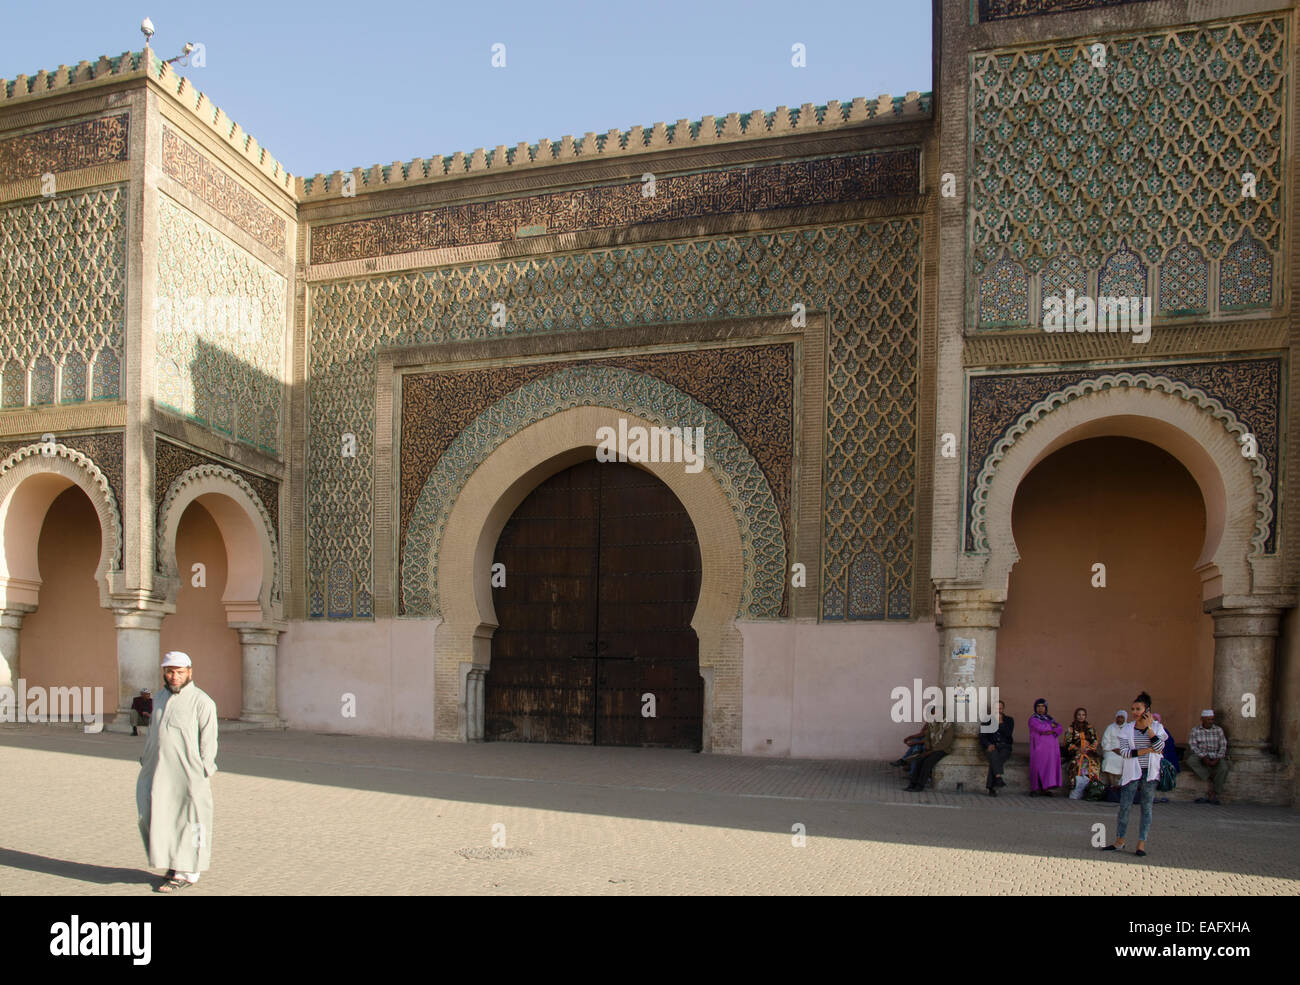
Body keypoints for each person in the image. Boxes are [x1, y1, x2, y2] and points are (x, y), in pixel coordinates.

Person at [136, 650, 218, 893]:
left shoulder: (202, 701)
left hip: (188, 773)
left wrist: (204, 769)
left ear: (189, 672)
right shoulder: (159, 698)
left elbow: (209, 740)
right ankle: (173, 863)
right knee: (155, 815)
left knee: (188, 820)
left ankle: (187, 872)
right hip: (157, 769)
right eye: (170, 672)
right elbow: (154, 732)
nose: (174, 676)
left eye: (179, 672)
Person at [1102, 691, 1166, 858]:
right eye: (1133, 709)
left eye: (1138, 708)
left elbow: (1159, 748)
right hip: (1132, 772)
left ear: (1147, 709)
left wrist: (1149, 728)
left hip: (1150, 773)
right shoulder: (1128, 729)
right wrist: (1147, 750)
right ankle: (1120, 840)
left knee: (1146, 808)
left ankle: (1141, 843)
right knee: (1125, 806)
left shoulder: (1158, 727)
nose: (1135, 712)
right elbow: (1124, 752)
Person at [1187, 709, 1230, 805]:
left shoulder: (1218, 730)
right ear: (1202, 719)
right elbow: (1193, 746)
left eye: (1212, 719)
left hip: (1215, 755)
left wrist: (1217, 758)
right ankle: (1209, 776)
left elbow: (1223, 745)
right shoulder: (1195, 730)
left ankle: (1214, 792)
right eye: (1208, 719)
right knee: (1191, 760)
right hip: (1201, 755)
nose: (1210, 722)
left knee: (1224, 768)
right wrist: (1203, 757)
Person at [906, 708, 953, 792]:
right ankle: (912, 784)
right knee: (919, 760)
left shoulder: (947, 725)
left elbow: (945, 743)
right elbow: (927, 737)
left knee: (927, 762)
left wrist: (930, 751)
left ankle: (920, 785)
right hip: (931, 749)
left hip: (942, 750)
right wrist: (927, 746)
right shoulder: (932, 723)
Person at [1063, 707, 1100, 799]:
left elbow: (1095, 741)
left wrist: (1089, 748)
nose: (1081, 717)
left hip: (1089, 752)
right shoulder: (1071, 729)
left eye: (1083, 715)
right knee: (1075, 764)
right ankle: (1075, 788)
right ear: (1075, 716)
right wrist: (1077, 749)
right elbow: (1067, 742)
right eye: (1079, 715)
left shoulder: (1090, 728)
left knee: (1094, 764)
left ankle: (1091, 789)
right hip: (1076, 753)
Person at [1027, 698, 1062, 796]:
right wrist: (1052, 728)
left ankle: (1045, 789)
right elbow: (1042, 728)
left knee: (1048, 768)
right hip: (1038, 747)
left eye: (1043, 706)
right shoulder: (1033, 719)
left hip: (1051, 749)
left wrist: (1052, 728)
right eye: (1038, 706)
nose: (1040, 709)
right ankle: (1035, 789)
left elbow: (1060, 728)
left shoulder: (1050, 718)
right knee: (1037, 767)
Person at [979, 699, 1014, 796]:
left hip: (1005, 746)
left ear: (1003, 709)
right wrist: (988, 744)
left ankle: (992, 786)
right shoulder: (987, 720)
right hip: (992, 746)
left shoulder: (1009, 720)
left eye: (1000, 708)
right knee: (993, 755)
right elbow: (982, 736)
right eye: (996, 708)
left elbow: (1008, 734)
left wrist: (1001, 723)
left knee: (995, 760)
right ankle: (997, 779)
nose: (998, 710)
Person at [1100, 710, 1127, 788]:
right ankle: (1112, 784)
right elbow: (1105, 741)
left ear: (1125, 718)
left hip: (1124, 750)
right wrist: (1114, 749)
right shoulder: (1110, 727)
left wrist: (1122, 750)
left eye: (1122, 717)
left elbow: (1131, 742)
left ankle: (1121, 784)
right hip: (1110, 750)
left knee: (1126, 761)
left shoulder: (1128, 728)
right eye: (1118, 717)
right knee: (1109, 759)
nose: (1120, 719)